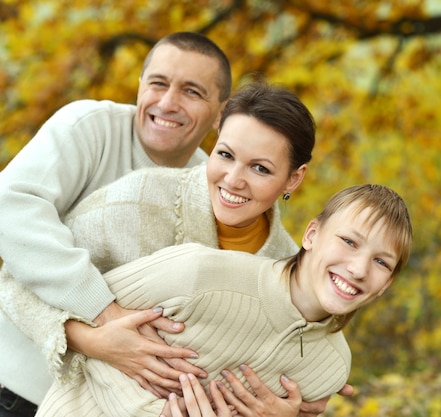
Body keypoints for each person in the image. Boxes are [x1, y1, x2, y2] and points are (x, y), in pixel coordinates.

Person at [0, 82, 350, 417]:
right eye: (225, 154)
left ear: (293, 178)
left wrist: (294, 404)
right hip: (36, 400)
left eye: (260, 168)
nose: (233, 179)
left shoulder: (286, 268)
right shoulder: (137, 201)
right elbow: (14, 283)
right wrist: (91, 339)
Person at [0, 31, 232, 417]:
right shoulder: (91, 127)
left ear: (220, 114)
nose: (168, 102)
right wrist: (103, 311)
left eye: (192, 92)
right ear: (140, 86)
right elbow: (10, 206)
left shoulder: (216, 186)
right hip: (12, 390)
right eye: (158, 83)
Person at [32, 184, 413, 417]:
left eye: (381, 262)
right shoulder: (198, 273)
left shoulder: (330, 367)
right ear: (312, 234)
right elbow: (80, 320)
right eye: (349, 241)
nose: (360, 268)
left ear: (386, 284)